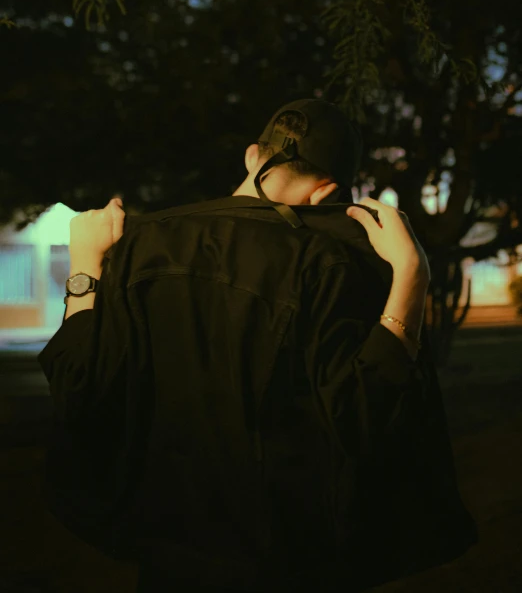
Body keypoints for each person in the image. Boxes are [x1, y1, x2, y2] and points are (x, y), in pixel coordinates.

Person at [37, 99, 477, 593]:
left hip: (167, 554)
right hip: (282, 560)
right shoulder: (326, 266)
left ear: (251, 156)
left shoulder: (140, 248)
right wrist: (411, 275)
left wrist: (85, 267)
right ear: (328, 191)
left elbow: (77, 387)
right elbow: (361, 412)